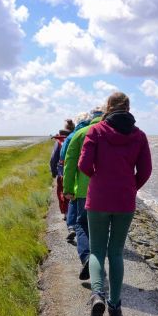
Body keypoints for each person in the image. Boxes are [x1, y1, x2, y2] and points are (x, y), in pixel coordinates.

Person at [78, 92, 152, 316]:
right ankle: (115, 308)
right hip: (124, 200)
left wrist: (99, 180)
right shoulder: (139, 135)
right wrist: (130, 186)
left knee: (97, 250)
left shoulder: (96, 131)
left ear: (108, 107)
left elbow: (84, 165)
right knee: (116, 252)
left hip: (99, 198)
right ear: (128, 108)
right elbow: (146, 170)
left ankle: (98, 294)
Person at [63, 107, 104, 280]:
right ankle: (97, 262)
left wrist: (67, 188)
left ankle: (87, 257)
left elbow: (69, 163)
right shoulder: (108, 132)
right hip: (106, 190)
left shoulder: (79, 134)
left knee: (81, 225)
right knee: (100, 229)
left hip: (83, 190)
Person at [61, 112, 90, 242]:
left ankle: (71, 226)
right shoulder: (96, 131)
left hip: (78, 176)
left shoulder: (75, 135)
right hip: (95, 183)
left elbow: (65, 156)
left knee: (73, 200)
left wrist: (66, 188)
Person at [49, 119, 74, 217]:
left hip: (62, 171)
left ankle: (66, 213)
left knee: (62, 192)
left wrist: (53, 171)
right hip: (74, 170)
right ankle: (72, 213)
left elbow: (53, 158)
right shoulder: (76, 137)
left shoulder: (59, 141)